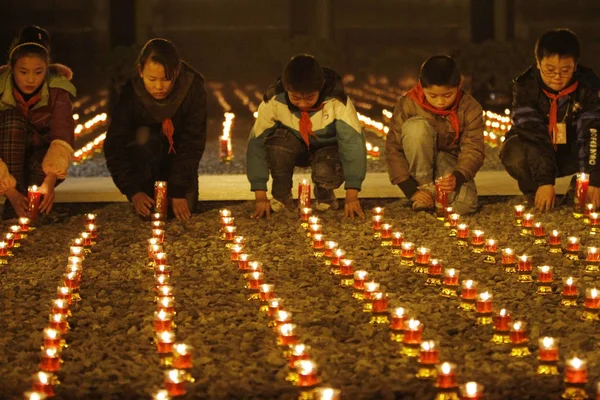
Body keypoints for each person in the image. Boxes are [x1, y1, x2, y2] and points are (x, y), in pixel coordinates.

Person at [246, 54, 366, 219]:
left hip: (326, 149)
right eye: (295, 98)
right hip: (291, 146)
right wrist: (260, 196)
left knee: (325, 168)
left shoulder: (337, 101)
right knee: (276, 147)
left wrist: (352, 196)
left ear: (320, 87)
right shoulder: (273, 101)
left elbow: (353, 145)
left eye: (309, 98)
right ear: (287, 89)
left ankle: (325, 195)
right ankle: (281, 197)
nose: (302, 104)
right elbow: (256, 145)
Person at [104, 38, 207, 220]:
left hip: (177, 156)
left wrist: (178, 190)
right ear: (140, 72)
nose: (159, 87)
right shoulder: (130, 93)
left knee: (184, 210)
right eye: (152, 79)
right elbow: (115, 145)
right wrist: (133, 191)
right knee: (152, 211)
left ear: (176, 72)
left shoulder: (192, 88)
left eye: (166, 79)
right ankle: (146, 189)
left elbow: (192, 142)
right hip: (144, 159)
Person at [499, 28, 600, 212]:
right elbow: (533, 135)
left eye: (565, 70)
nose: (557, 77)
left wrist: (594, 178)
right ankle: (534, 192)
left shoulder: (589, 86)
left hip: (572, 148)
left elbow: (592, 132)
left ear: (575, 65)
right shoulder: (525, 88)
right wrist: (545, 182)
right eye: (550, 70)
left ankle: (578, 186)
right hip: (539, 148)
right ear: (538, 63)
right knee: (513, 151)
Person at [386, 55, 484, 214]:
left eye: (447, 95)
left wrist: (457, 177)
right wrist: (411, 190)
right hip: (419, 162)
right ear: (422, 86)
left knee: (465, 206)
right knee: (415, 127)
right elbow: (393, 149)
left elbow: (474, 149)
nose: (440, 102)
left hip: (450, 161)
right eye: (432, 95)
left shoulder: (470, 108)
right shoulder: (408, 104)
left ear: (458, 85)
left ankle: (432, 197)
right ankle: (425, 190)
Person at [0, 25, 76, 220]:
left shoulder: (58, 91)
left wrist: (49, 182)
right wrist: (9, 190)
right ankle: (13, 203)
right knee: (12, 122)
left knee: (39, 182)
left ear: (47, 69)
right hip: (6, 155)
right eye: (23, 72)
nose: (31, 80)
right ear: (11, 68)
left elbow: (62, 136)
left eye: (38, 72)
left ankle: (32, 206)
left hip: (40, 159)